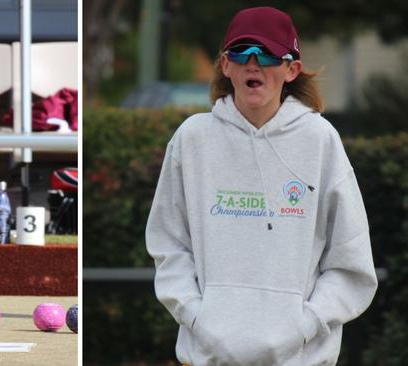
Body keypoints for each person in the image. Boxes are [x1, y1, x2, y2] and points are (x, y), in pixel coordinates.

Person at [145, 6, 377, 366]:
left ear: (291, 69)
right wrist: (196, 316)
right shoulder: (192, 139)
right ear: (225, 65)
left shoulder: (320, 140)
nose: (253, 63)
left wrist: (305, 324)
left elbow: (352, 263)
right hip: (208, 356)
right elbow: (169, 244)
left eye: (267, 53)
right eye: (241, 52)